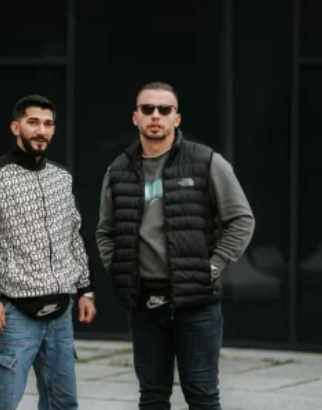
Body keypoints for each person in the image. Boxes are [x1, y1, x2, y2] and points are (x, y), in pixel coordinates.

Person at [96, 82, 254, 410]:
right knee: (152, 396)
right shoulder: (118, 170)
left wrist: (215, 264)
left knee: (202, 397)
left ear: (176, 118)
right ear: (135, 117)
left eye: (164, 109)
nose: (156, 115)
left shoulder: (207, 162)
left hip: (196, 303)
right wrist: (119, 268)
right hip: (144, 303)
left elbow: (241, 220)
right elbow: (105, 231)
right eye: (147, 109)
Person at [0, 95, 96, 410]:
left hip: (61, 313)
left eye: (48, 124)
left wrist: (86, 289)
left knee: (63, 404)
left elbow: (74, 235)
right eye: (33, 122)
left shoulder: (61, 177)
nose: (41, 130)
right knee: (1, 404)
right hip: (13, 315)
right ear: (16, 127)